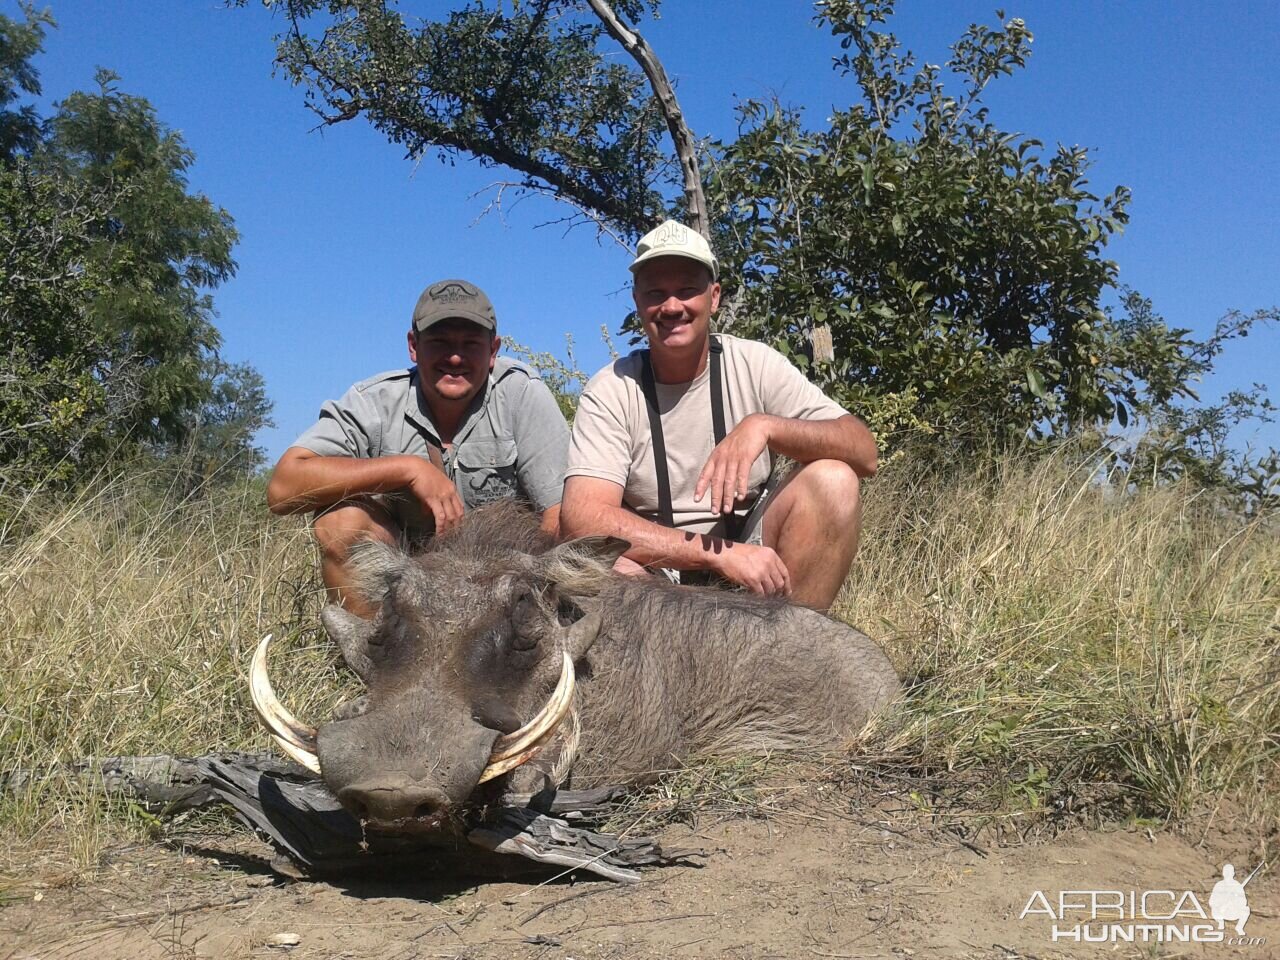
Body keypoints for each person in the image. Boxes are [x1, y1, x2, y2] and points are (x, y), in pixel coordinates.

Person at [559, 220, 878, 611]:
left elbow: (864, 451)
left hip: (754, 562)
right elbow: (582, 517)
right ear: (638, 302)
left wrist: (767, 426)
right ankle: (660, 665)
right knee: (607, 569)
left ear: (714, 298)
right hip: (657, 575)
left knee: (833, 480)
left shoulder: (754, 363)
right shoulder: (612, 387)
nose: (672, 307)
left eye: (687, 290)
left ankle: (788, 660)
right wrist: (719, 555)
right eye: (656, 293)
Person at [267, 279, 570, 616]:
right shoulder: (374, 402)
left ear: (493, 351)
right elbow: (283, 488)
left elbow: (558, 516)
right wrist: (406, 470)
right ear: (414, 346)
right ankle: (373, 659)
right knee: (341, 522)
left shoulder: (522, 394)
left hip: (501, 590)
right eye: (439, 342)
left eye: (470, 343)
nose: (455, 357)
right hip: (406, 588)